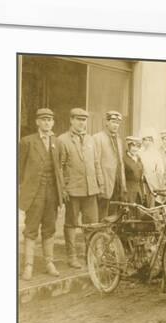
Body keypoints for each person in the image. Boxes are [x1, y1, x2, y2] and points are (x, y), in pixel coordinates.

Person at [18, 108, 64, 280]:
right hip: (34, 193)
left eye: (50, 120)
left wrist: (60, 194)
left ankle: (49, 263)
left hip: (52, 192)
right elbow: (19, 170)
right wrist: (24, 190)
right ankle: (28, 266)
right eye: (43, 119)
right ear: (37, 122)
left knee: (49, 227)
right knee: (31, 229)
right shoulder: (27, 142)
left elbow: (58, 168)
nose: (47, 123)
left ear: (53, 123)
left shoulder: (57, 142)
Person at [58, 108, 104, 269]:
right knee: (71, 223)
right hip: (72, 190)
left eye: (84, 120)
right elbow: (59, 167)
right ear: (71, 120)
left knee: (92, 224)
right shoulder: (62, 140)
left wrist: (100, 184)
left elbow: (96, 163)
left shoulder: (91, 140)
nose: (81, 123)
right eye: (78, 119)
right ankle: (72, 257)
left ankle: (90, 255)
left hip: (91, 189)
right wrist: (63, 189)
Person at [94, 111, 127, 218]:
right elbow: (96, 162)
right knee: (102, 214)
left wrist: (123, 184)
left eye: (117, 123)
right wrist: (100, 183)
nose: (115, 125)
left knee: (115, 214)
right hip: (105, 182)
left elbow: (120, 163)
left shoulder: (118, 139)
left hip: (117, 184)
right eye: (113, 122)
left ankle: (111, 234)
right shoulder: (98, 138)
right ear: (106, 122)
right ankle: (100, 234)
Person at [139, 132, 164, 206]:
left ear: (152, 141)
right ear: (142, 141)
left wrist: (155, 179)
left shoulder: (156, 153)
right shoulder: (139, 152)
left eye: (149, 140)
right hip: (142, 181)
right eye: (145, 140)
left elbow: (160, 170)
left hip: (153, 182)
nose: (147, 142)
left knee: (152, 203)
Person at [123, 136, 146, 205]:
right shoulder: (124, 159)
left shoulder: (138, 158)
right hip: (128, 192)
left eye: (137, 146)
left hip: (138, 191)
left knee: (138, 213)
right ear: (128, 146)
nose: (135, 149)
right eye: (133, 146)